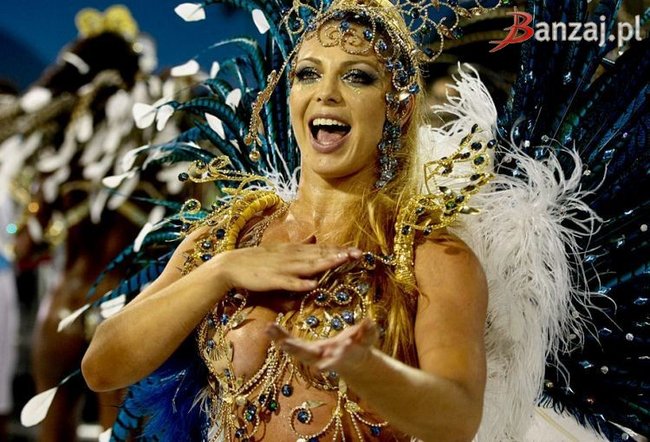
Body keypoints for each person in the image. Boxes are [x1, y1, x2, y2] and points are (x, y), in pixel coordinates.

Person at [82, 1, 492, 441]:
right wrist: (221, 272)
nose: (326, 93)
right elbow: (102, 366)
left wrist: (367, 368)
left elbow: (459, 418)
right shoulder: (231, 234)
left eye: (357, 77)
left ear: (399, 108)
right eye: (308, 74)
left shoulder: (428, 257)